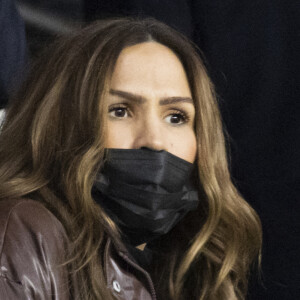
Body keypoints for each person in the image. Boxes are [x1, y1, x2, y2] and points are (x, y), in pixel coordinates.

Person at [0, 18, 261, 300]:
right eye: (120, 111)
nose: (155, 140)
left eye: (176, 117)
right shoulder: (26, 232)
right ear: (61, 125)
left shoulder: (191, 270)